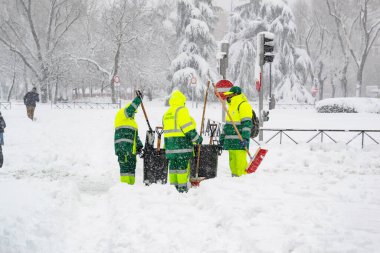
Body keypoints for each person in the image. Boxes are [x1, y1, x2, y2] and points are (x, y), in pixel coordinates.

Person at [163, 90, 203, 193]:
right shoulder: (181, 110)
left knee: (173, 168)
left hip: (170, 147)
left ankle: (173, 188)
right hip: (182, 146)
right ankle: (182, 189)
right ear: (182, 101)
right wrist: (197, 139)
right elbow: (188, 129)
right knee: (182, 168)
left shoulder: (167, 113)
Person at [219, 86, 253, 177]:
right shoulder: (231, 107)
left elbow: (247, 124)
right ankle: (234, 184)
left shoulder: (243, 105)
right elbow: (227, 126)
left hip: (240, 142)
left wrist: (245, 138)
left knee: (240, 166)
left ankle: (243, 184)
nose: (228, 97)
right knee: (233, 166)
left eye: (230, 95)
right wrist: (222, 138)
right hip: (231, 143)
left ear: (235, 94)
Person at [114, 91, 144, 185]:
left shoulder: (133, 123)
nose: (133, 114)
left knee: (131, 172)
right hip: (123, 149)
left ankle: (130, 189)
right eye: (133, 112)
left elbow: (135, 137)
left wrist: (139, 147)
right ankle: (124, 189)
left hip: (131, 151)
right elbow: (130, 109)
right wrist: (138, 100)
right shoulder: (121, 115)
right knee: (125, 171)